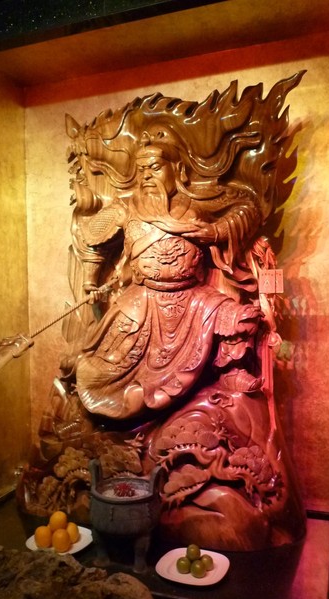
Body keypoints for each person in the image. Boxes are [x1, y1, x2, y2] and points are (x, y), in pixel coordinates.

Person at [64, 136, 264, 421]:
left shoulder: (198, 206)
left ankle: (231, 373)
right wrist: (89, 281)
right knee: (104, 366)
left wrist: (216, 231)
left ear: (177, 170)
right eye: (141, 170)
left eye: (155, 167)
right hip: (142, 300)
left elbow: (249, 207)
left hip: (193, 299)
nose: (147, 176)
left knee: (240, 318)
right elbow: (91, 240)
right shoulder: (125, 208)